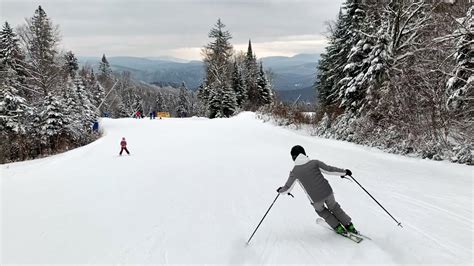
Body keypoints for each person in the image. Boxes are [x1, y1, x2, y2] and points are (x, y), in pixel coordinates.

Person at [277, 145, 358, 235]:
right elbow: (330, 170)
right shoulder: (315, 163)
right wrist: (344, 172)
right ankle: (349, 225)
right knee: (334, 207)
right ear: (304, 153)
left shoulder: (295, 172)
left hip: (315, 199)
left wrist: (281, 190)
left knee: (322, 211)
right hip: (328, 192)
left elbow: (287, 188)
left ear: (293, 157)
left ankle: (338, 227)